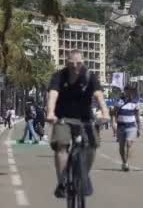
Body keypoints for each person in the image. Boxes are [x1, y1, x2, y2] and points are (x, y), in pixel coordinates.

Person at [46, 49, 109, 199]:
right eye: (72, 63)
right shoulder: (59, 76)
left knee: (92, 145)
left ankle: (83, 176)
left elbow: (99, 94)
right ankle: (62, 181)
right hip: (63, 118)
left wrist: (105, 112)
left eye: (79, 63)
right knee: (61, 144)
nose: (75, 66)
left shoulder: (89, 76)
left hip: (85, 119)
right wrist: (50, 112)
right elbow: (53, 94)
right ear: (67, 62)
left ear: (83, 62)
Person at [113, 85, 141, 171]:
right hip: (121, 126)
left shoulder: (135, 102)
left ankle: (127, 162)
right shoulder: (119, 101)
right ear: (124, 91)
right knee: (121, 146)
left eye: (130, 91)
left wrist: (139, 127)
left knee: (128, 144)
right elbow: (114, 113)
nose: (128, 92)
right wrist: (113, 123)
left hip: (131, 126)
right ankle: (124, 162)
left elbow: (137, 115)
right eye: (127, 91)